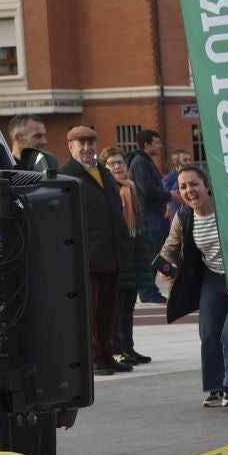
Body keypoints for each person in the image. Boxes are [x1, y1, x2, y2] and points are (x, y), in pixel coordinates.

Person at [157, 165, 228, 408]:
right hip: (212, 278)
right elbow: (168, 249)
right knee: (209, 333)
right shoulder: (184, 216)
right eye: (183, 186)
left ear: (207, 186)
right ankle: (214, 388)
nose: (189, 190)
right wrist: (167, 268)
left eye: (194, 184)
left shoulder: (227, 209)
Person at [63, 125, 132, 375]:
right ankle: (91, 358)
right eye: (80, 143)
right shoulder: (66, 176)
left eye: (91, 142)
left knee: (107, 312)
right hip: (87, 258)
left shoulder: (103, 172)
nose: (86, 147)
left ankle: (106, 355)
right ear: (70, 147)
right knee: (88, 313)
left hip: (111, 255)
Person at [100, 147, 154, 365]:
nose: (117, 167)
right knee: (116, 308)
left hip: (134, 256)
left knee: (128, 307)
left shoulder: (131, 188)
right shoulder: (108, 190)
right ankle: (115, 348)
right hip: (118, 258)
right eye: (111, 163)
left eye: (120, 162)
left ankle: (128, 347)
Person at [126, 131, 170, 304]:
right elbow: (147, 188)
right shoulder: (140, 162)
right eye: (157, 142)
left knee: (155, 251)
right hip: (149, 215)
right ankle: (147, 290)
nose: (160, 145)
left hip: (154, 214)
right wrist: (169, 196)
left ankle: (150, 289)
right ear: (146, 144)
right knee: (150, 253)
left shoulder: (144, 161)